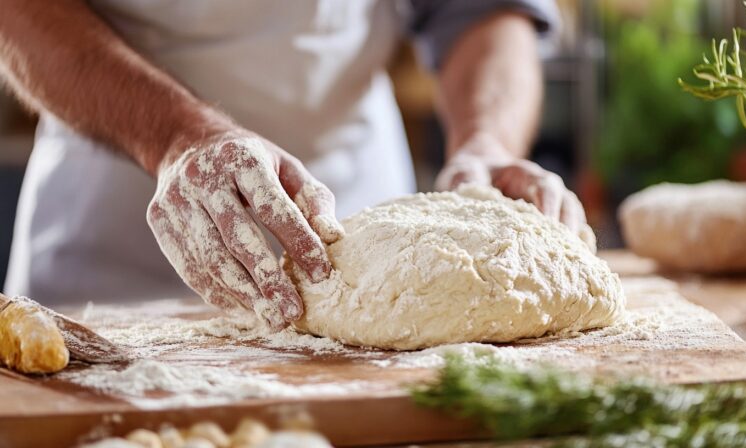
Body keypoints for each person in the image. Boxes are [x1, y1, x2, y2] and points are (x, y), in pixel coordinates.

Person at [0, 0, 585, 331]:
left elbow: (482, 11)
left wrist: (487, 141)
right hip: (108, 239)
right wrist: (175, 134)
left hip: (357, 218)